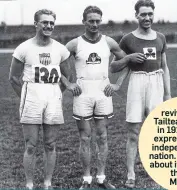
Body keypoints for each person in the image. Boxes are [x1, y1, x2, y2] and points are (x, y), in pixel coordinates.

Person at [63, 5, 146, 189]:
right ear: (84, 21)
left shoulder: (109, 42)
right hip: (83, 94)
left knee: (103, 137)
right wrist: (68, 84)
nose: (94, 24)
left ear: (100, 21)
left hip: (103, 93)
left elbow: (127, 61)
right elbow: (55, 61)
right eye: (90, 20)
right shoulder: (74, 43)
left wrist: (117, 84)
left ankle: (101, 177)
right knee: (84, 138)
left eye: (97, 20)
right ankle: (86, 179)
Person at [110, 0, 171, 188]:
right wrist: (128, 58)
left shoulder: (160, 37)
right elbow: (113, 67)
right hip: (137, 82)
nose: (147, 18)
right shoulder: (128, 39)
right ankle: (131, 174)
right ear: (136, 15)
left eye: (150, 14)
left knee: (157, 130)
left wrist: (168, 94)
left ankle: (159, 170)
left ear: (153, 15)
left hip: (156, 82)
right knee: (133, 131)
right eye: (143, 14)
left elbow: (165, 67)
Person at [9, 9, 70, 189]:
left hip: (52, 96)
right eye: (44, 22)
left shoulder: (60, 49)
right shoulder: (24, 48)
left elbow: (68, 76)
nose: (48, 26)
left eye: (51, 23)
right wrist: (26, 99)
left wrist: (55, 93)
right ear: (36, 24)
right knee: (31, 144)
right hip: (31, 95)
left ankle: (47, 183)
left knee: (50, 143)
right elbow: (13, 78)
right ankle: (29, 184)